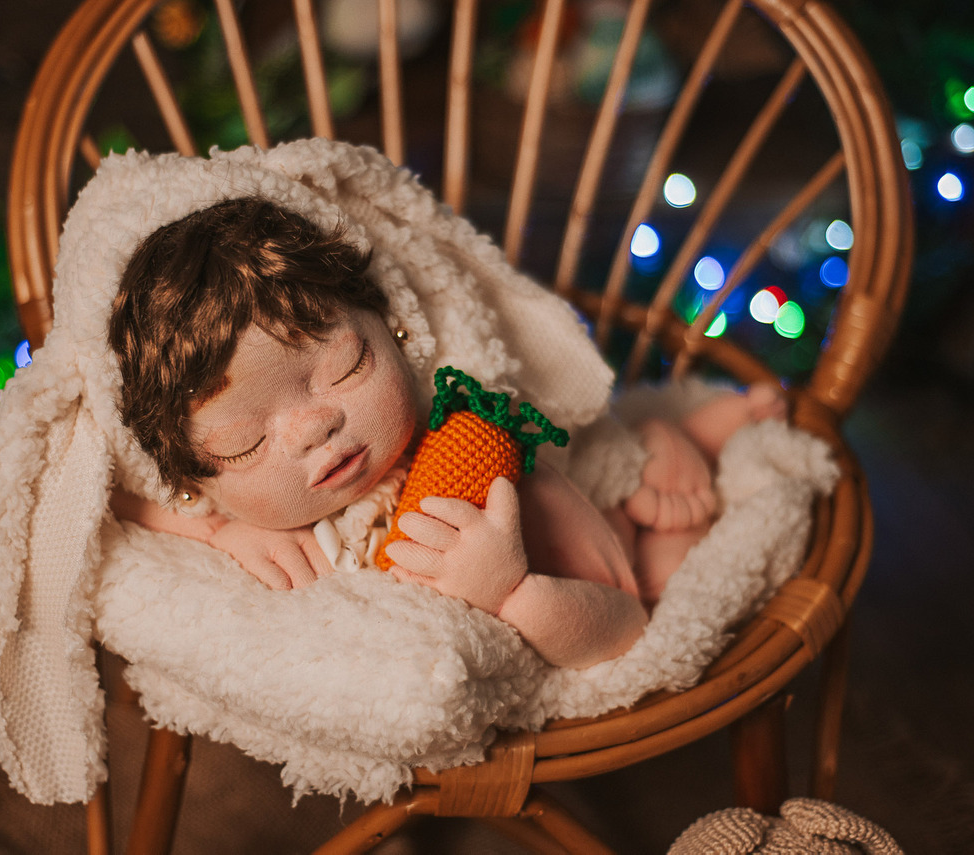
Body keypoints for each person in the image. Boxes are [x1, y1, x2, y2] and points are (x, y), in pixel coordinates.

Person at [106, 197, 784, 669]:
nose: (315, 428)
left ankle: (676, 435)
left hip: (608, 550)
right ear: (195, 472)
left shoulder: (467, 446)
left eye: (346, 366)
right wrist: (217, 525)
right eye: (242, 446)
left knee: (669, 562)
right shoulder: (233, 512)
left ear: (397, 332)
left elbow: (628, 626)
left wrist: (510, 592)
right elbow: (111, 500)